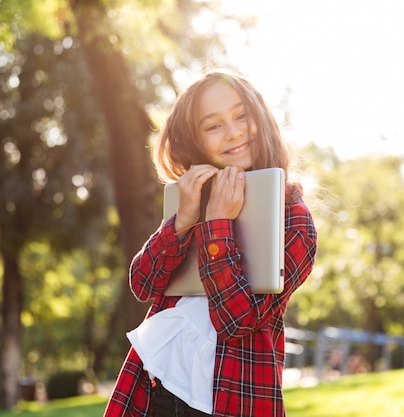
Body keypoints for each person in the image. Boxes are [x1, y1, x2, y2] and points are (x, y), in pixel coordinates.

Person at [102, 68, 318, 417]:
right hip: (158, 393)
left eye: (241, 116)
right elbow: (143, 284)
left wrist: (217, 225)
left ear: (259, 119)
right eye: (213, 126)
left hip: (229, 399)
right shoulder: (192, 202)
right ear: (195, 141)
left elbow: (237, 319)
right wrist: (182, 222)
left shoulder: (293, 219)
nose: (233, 133)